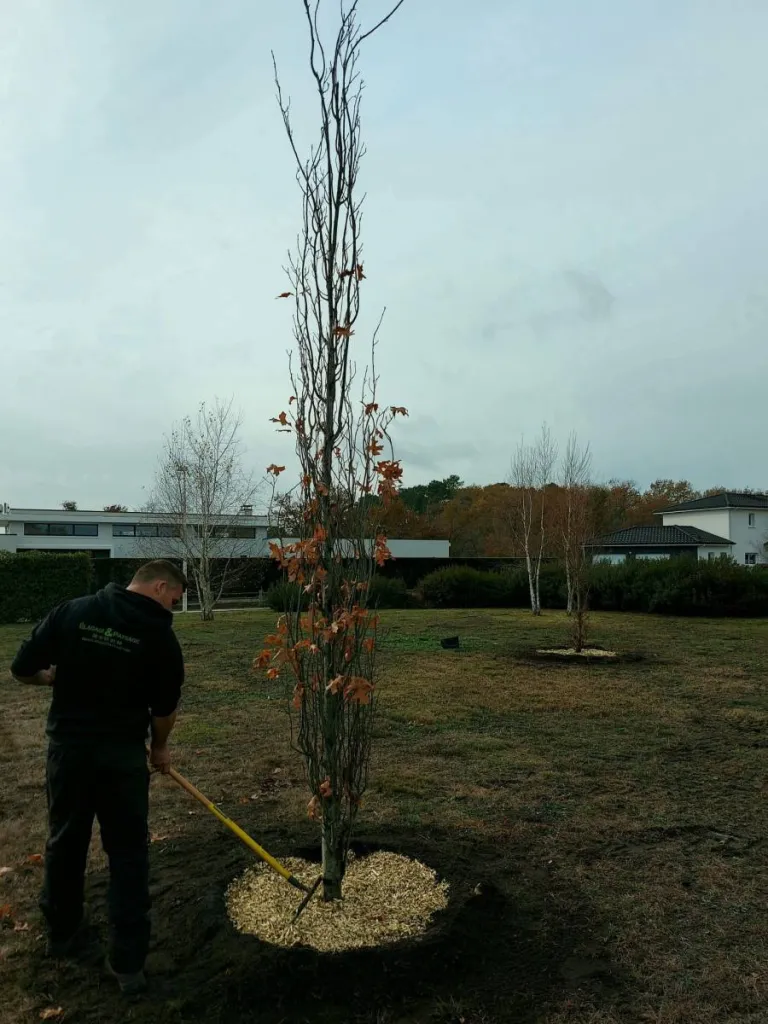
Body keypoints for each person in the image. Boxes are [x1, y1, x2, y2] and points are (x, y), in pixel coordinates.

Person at [10, 559, 187, 996]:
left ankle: (62, 933)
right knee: (128, 856)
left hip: (69, 754)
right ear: (158, 586)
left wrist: (46, 678)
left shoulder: (73, 611)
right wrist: (160, 747)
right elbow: (164, 710)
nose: (172, 608)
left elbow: (21, 667)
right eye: (173, 599)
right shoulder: (160, 638)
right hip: (121, 761)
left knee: (65, 843)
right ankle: (129, 965)